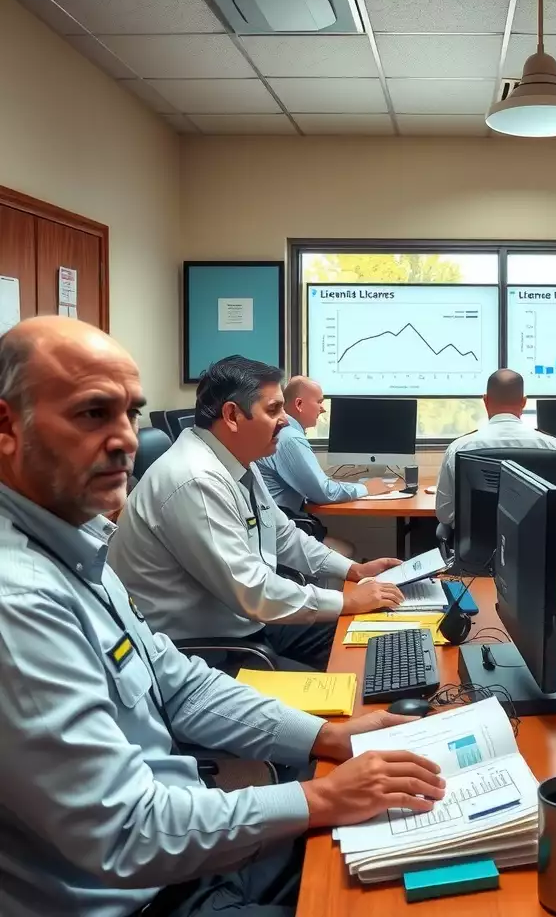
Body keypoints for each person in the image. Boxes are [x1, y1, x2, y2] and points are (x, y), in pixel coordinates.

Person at [0, 317, 444, 917]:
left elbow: (174, 682)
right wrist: (316, 798)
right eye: (92, 414)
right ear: (7, 427)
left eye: (131, 413)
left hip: (190, 839)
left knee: (395, 856)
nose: (126, 439)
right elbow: (126, 831)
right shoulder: (22, 600)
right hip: (141, 891)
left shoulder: (77, 540)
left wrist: (330, 737)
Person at [109, 356, 405, 673]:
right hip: (205, 654)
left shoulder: (237, 460)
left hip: (247, 622)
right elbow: (252, 590)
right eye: (274, 410)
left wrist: (353, 571)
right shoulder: (196, 480)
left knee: (377, 638)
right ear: (233, 415)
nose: (285, 421)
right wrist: (346, 601)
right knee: (354, 680)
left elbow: (282, 533)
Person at [256, 375, 388, 558]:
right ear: (299, 404)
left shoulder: (286, 434)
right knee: (346, 551)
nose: (323, 409)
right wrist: (366, 488)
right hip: (279, 526)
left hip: (276, 520)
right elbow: (324, 492)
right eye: (319, 402)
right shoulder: (290, 438)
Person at [435, 369, 556, 527]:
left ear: (485, 401)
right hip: (537, 549)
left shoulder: (459, 447)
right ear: (524, 402)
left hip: (478, 550)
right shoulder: (552, 446)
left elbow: (444, 514)